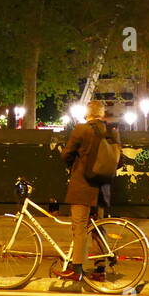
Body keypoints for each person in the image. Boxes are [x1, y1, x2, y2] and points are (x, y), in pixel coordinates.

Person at [55, 100, 118, 283]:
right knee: (98, 228)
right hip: (102, 188)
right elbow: (118, 160)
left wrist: (74, 168)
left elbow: (66, 154)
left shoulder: (81, 129)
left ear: (87, 114)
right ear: (102, 113)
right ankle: (100, 269)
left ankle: (77, 269)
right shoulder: (111, 131)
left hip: (82, 186)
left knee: (80, 227)